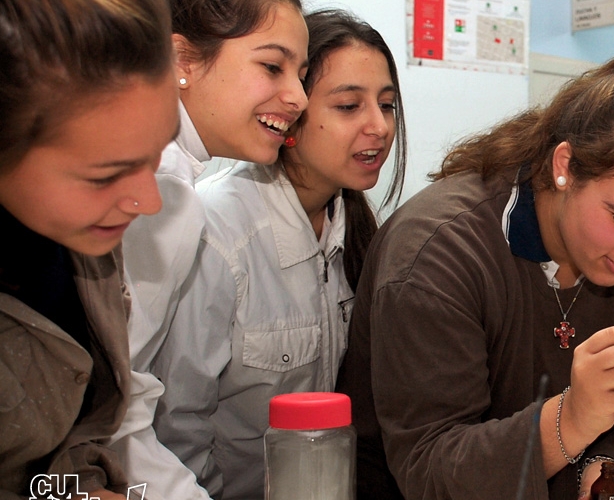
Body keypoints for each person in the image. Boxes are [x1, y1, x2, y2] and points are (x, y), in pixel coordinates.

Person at [336, 53, 614, 499]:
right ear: (564, 167)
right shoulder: (436, 255)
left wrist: (604, 472)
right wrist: (572, 418)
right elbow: (429, 471)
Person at [149, 9, 406, 500]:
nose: (379, 126)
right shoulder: (215, 231)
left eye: (388, 105)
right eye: (349, 105)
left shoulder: (356, 233)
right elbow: (174, 430)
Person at [109, 0, 308, 498]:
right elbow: (115, 417)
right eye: (272, 66)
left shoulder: (177, 186)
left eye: (301, 74)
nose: (299, 97)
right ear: (182, 61)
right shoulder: (161, 193)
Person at [0, 0, 178, 498]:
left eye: (158, 153)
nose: (148, 201)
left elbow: (62, 455)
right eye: (104, 176)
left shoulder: (80, 235)